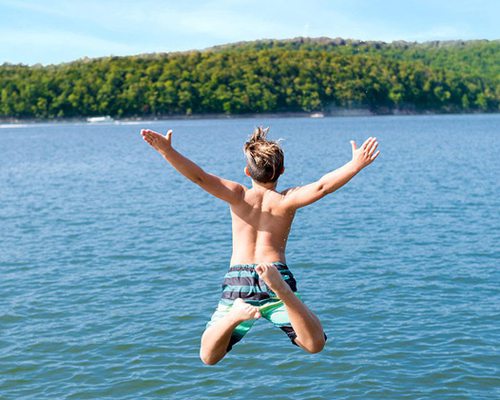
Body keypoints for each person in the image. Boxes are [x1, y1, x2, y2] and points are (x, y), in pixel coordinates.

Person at [141, 126, 379, 365]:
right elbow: (322, 186)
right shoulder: (286, 201)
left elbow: (199, 177)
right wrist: (355, 164)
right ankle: (284, 293)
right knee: (314, 345)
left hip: (239, 280)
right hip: (275, 273)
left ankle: (234, 316)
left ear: (247, 171)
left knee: (208, 357)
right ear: (282, 171)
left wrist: (167, 151)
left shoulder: (237, 195)